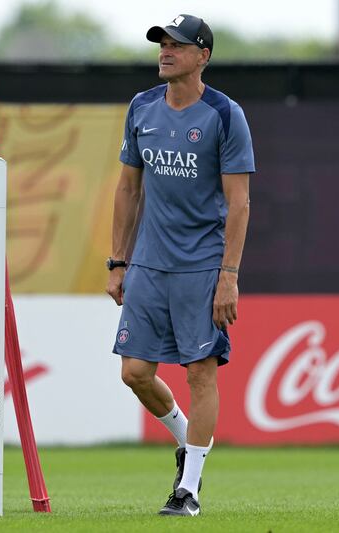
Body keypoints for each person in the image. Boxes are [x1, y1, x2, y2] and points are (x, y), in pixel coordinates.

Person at [106, 14, 254, 517]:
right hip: (147, 264)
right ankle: (186, 442)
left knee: (199, 372)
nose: (165, 51)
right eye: (162, 44)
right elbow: (128, 187)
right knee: (134, 373)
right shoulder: (141, 106)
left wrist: (228, 277)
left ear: (203, 56)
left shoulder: (225, 114)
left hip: (202, 267)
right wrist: (117, 260)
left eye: (177, 45)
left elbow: (239, 204)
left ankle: (188, 490)